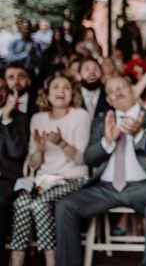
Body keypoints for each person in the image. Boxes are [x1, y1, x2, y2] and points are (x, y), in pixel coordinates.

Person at [56, 75, 146, 266]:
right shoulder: (102, 122)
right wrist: (107, 141)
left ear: (133, 90)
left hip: (143, 186)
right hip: (104, 188)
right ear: (108, 100)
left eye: (121, 87)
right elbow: (89, 158)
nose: (117, 93)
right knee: (65, 206)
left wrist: (138, 134)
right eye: (111, 91)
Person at [9, 73, 90, 266]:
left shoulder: (80, 115)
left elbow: (81, 160)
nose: (61, 90)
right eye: (56, 86)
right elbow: (34, 164)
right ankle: (17, 258)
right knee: (21, 203)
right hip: (44, 180)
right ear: (47, 93)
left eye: (66, 87)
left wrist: (61, 142)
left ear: (73, 94)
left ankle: (51, 261)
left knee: (39, 204)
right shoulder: (38, 118)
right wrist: (38, 148)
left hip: (74, 179)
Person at [0, 76, 29, 265]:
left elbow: (16, 152)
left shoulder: (19, 118)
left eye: (3, 88)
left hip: (6, 179)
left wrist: (7, 119)